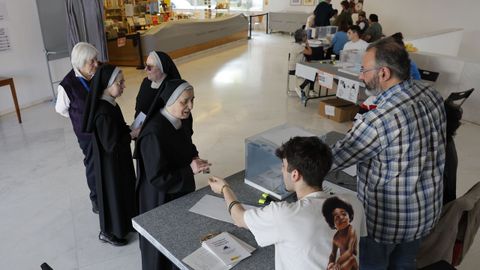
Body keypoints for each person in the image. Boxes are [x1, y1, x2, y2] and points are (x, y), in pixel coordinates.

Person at [329, 37, 447, 269]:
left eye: (364, 70)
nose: (361, 76)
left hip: (385, 224)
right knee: (404, 264)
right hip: (424, 213)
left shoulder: (380, 119)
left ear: (383, 73)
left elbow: (333, 159)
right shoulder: (432, 94)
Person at [208, 136, 366, 270]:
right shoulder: (353, 203)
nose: (282, 171)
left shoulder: (284, 214)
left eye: (283, 167)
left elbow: (239, 218)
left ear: (295, 175)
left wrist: (224, 188)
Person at [135, 79, 210, 270]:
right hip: (160, 198)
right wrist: (190, 170)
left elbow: (186, 144)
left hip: (178, 188)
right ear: (169, 101)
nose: (190, 106)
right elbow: (158, 178)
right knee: (164, 241)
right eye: (184, 101)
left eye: (192, 100)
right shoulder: (153, 133)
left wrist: (194, 157)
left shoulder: (179, 120)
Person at [82, 64, 138, 246]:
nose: (123, 86)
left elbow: (117, 129)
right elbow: (111, 144)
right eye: (119, 83)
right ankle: (109, 232)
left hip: (118, 161)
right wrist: (131, 135)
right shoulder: (103, 111)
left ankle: (126, 223)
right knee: (113, 195)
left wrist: (129, 128)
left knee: (123, 192)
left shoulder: (110, 103)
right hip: (110, 165)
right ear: (107, 84)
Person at [55, 42, 100, 214]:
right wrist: (78, 119)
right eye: (92, 61)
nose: (96, 64)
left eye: (96, 60)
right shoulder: (67, 85)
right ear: (80, 62)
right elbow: (61, 109)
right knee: (92, 164)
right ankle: (95, 198)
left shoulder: (96, 75)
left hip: (102, 129)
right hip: (86, 134)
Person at [134, 51, 181, 118]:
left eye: (149, 67)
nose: (145, 69)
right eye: (145, 65)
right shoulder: (146, 82)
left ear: (161, 68)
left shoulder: (171, 87)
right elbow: (139, 107)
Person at [322, 197, 359, 270]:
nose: (342, 217)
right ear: (333, 224)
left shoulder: (351, 230)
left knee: (352, 258)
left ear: (349, 216)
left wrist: (337, 263)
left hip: (351, 262)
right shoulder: (336, 237)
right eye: (337, 217)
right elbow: (333, 254)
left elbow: (350, 251)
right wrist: (330, 264)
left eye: (344, 214)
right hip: (342, 264)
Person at [289, 29, 313, 103]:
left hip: (293, 67)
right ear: (302, 38)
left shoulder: (295, 45)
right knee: (313, 74)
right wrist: (307, 44)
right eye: (306, 36)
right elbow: (310, 52)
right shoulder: (300, 47)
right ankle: (302, 87)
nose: (307, 37)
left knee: (311, 72)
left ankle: (302, 87)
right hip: (295, 69)